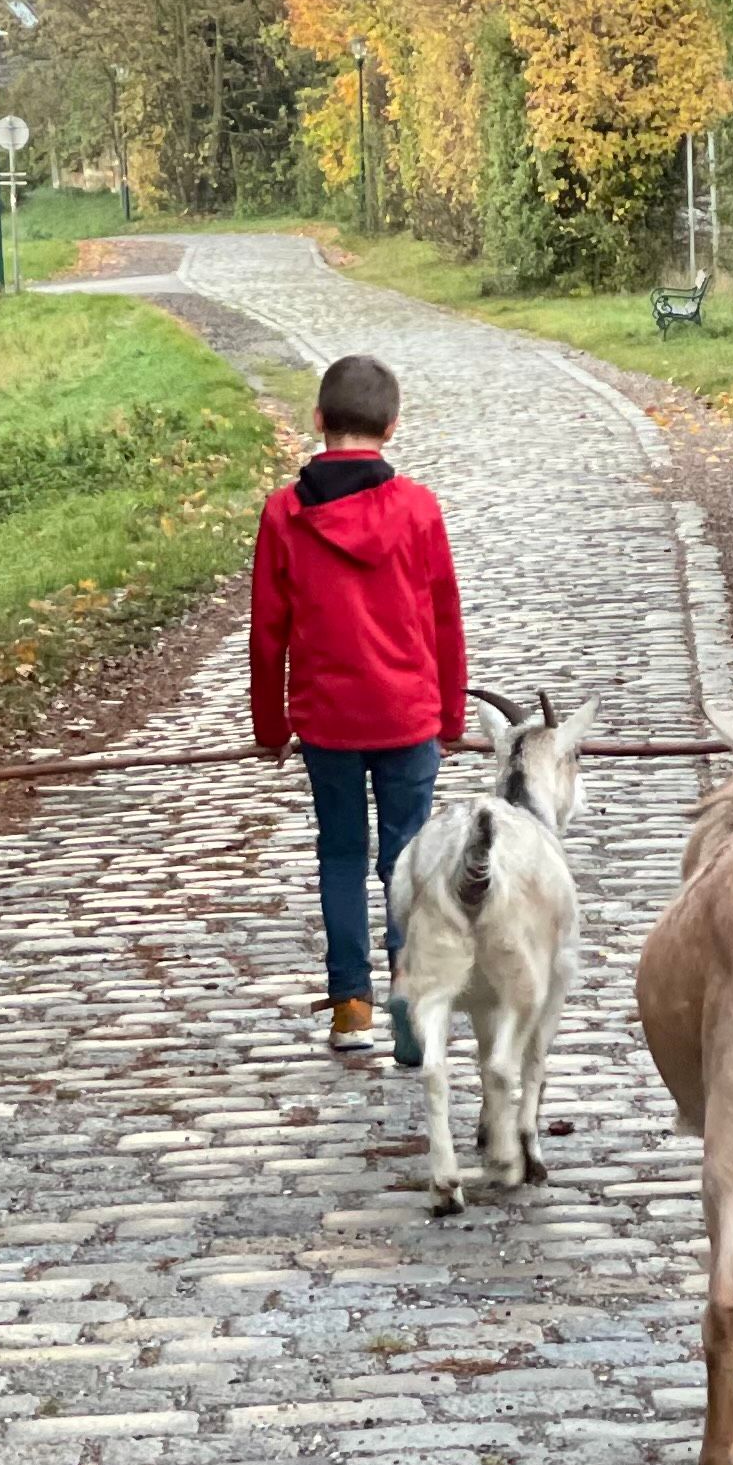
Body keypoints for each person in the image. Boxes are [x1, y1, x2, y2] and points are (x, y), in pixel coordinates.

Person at [249, 353, 467, 1061]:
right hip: (407, 717)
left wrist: (270, 723)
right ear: (392, 427)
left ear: (318, 420)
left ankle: (351, 1006)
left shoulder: (285, 514)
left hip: (328, 721)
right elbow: (444, 619)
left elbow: (268, 631)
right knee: (409, 860)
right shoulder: (418, 508)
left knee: (342, 853)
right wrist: (452, 714)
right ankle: (410, 998)